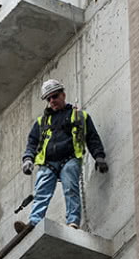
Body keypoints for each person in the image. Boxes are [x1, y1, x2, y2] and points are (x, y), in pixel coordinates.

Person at [16, 79, 108, 233]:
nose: (52, 100)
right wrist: (28, 159)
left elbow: (92, 138)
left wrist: (99, 157)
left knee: (71, 188)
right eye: (49, 98)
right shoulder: (42, 122)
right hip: (48, 163)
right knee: (41, 192)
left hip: (69, 159)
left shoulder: (79, 116)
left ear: (63, 95)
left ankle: (73, 222)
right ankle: (33, 223)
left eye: (55, 96)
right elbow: (32, 142)